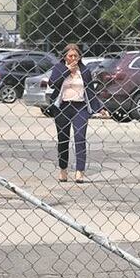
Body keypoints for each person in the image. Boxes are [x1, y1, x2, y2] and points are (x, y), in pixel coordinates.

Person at [47, 43, 103, 183]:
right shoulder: (59, 68)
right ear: (65, 57)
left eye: (76, 56)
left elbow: (90, 91)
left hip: (80, 107)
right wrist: (67, 71)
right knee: (63, 139)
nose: (73, 58)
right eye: (70, 56)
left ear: (79, 57)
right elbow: (52, 83)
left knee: (80, 137)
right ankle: (63, 170)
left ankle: (79, 171)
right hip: (63, 107)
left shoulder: (84, 71)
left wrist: (99, 107)